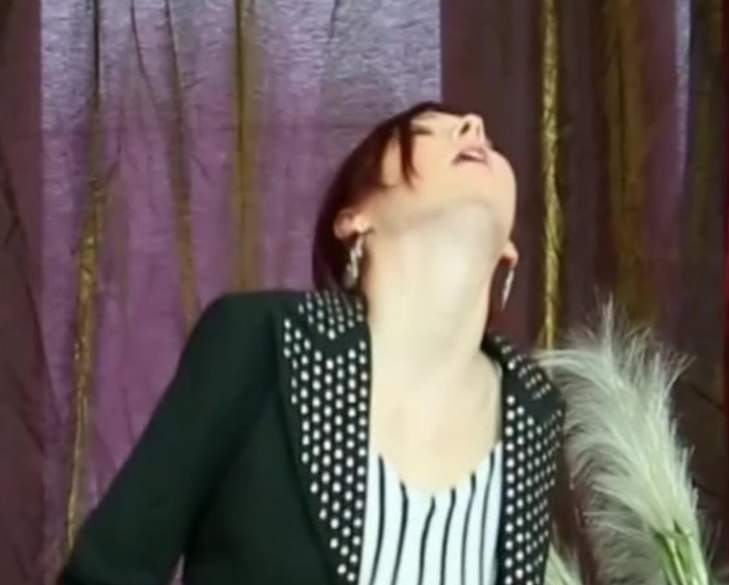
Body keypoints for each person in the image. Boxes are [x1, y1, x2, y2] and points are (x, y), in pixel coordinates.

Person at [59, 102, 565, 585]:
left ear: (509, 250)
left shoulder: (536, 410)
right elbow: (106, 573)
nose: (473, 125)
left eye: (490, 144)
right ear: (354, 220)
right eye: (427, 130)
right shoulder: (258, 342)